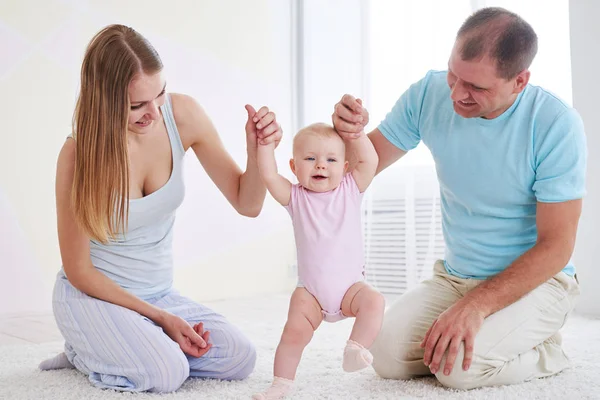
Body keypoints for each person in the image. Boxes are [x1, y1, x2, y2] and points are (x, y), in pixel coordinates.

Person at [332, 7, 586, 390]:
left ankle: (547, 350)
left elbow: (557, 247)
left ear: (519, 81)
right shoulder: (429, 93)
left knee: (457, 371)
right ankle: (494, 334)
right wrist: (350, 135)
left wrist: (476, 307)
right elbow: (360, 170)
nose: (455, 93)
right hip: (456, 277)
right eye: (454, 74)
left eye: (476, 87)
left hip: (539, 283)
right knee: (383, 355)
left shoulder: (555, 124)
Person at [38, 24, 282, 393]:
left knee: (238, 357)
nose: (153, 112)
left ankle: (131, 343)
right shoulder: (77, 156)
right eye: (136, 105)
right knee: (166, 372)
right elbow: (79, 270)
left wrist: (258, 152)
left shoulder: (182, 115)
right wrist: (161, 320)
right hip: (91, 297)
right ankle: (82, 351)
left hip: (158, 294)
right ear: (103, 99)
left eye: (160, 93)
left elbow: (247, 204)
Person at [252, 123, 385, 399]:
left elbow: (370, 160)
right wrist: (264, 146)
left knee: (374, 301)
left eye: (331, 160)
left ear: (346, 166)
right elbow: (267, 174)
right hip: (311, 293)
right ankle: (280, 384)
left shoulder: (350, 189)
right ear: (294, 166)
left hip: (351, 288)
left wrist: (357, 134)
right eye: (310, 159)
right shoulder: (295, 197)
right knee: (293, 333)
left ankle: (355, 348)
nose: (321, 166)